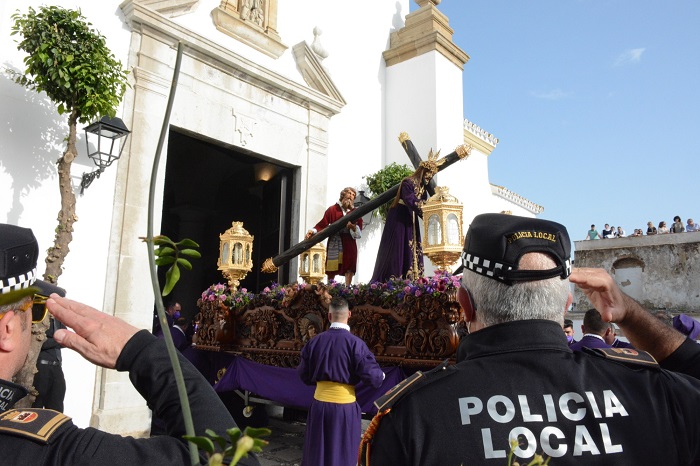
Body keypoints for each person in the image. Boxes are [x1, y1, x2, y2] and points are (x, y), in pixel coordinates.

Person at [363, 213, 700, 465]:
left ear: (465, 306)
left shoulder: (413, 417)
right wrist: (629, 312)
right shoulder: (656, 394)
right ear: (568, 303)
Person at [0, 224, 259, 466]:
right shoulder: (52, 451)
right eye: (34, 310)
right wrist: (141, 350)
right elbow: (227, 458)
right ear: (8, 329)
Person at [297, 297, 384, 466]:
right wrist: (382, 376)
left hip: (319, 405)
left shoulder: (314, 342)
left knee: (317, 454)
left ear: (329, 317)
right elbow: (374, 379)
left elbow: (303, 375)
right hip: (345, 407)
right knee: (343, 454)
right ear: (349, 314)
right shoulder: (356, 344)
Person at [370, 155, 438, 282]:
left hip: (411, 219)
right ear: (422, 171)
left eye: (432, 175)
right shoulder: (408, 182)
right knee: (399, 245)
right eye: (428, 173)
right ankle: (395, 278)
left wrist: (431, 217)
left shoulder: (423, 189)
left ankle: (412, 278)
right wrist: (426, 209)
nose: (429, 177)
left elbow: (422, 206)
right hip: (399, 216)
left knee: (412, 247)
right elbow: (410, 199)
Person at [306, 187, 362, 285]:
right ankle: (330, 289)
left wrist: (353, 227)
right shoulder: (332, 209)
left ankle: (347, 289)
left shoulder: (355, 212)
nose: (351, 196)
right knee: (332, 268)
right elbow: (323, 223)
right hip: (335, 240)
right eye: (349, 193)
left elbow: (359, 229)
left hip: (349, 242)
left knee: (349, 266)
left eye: (353, 195)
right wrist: (312, 231)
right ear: (343, 195)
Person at [31, 289, 68, 412]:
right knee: (37, 406)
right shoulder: (37, 315)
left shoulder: (58, 318)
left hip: (57, 366)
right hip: (41, 368)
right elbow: (38, 342)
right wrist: (58, 340)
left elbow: (66, 338)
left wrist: (57, 340)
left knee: (57, 407)